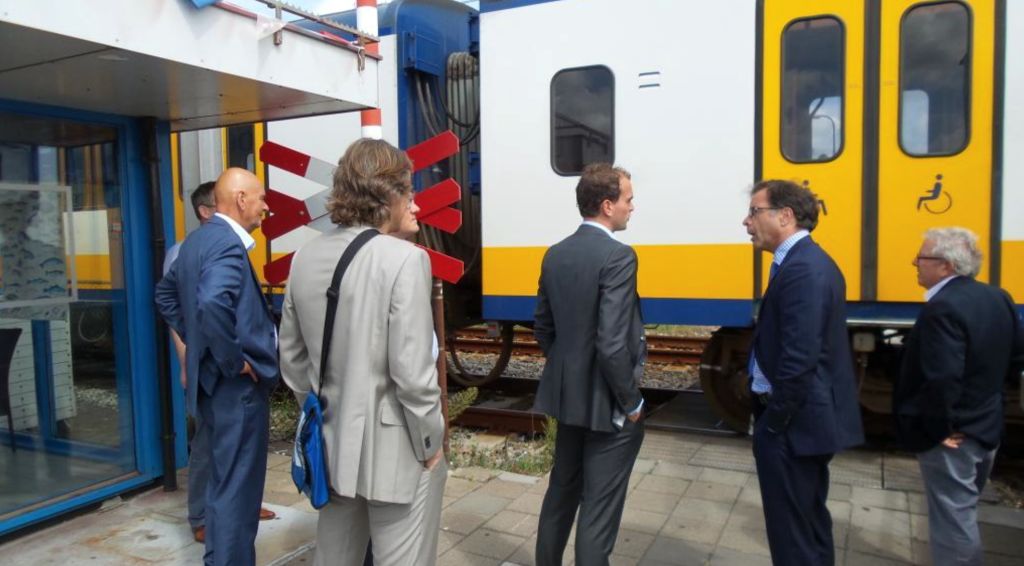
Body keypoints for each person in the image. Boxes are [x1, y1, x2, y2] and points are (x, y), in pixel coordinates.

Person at [278, 138, 445, 566]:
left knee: (334, 558)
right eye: (409, 192)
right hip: (397, 448)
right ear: (387, 194)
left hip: (331, 443)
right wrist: (431, 443)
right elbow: (412, 375)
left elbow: (293, 361)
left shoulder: (304, 257)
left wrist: (322, 407)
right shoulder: (406, 260)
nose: (415, 203)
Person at [155, 168, 279, 566]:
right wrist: (232, 360)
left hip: (212, 387)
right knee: (236, 492)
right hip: (235, 390)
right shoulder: (226, 244)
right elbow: (211, 302)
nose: (265, 206)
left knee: (223, 483)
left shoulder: (197, 241)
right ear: (240, 199)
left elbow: (166, 294)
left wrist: (196, 341)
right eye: (260, 197)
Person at [742, 179, 863, 565]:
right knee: (806, 524)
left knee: (793, 534)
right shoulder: (802, 263)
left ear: (785, 215)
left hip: (793, 428)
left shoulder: (804, 270)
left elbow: (799, 359)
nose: (747, 222)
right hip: (797, 424)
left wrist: (773, 423)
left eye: (754, 212)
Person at [532, 163, 646, 566]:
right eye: (628, 199)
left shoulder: (555, 254)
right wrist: (632, 404)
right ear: (607, 205)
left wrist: (569, 374)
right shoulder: (619, 257)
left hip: (568, 402)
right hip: (608, 406)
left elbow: (544, 330)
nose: (633, 207)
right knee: (598, 511)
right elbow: (612, 344)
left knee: (560, 493)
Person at [894, 227, 1024, 566]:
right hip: (986, 428)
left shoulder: (943, 308)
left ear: (946, 266)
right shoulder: (1000, 298)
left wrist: (940, 429)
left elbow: (942, 379)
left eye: (921, 257)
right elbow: (1015, 359)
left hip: (955, 436)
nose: (915, 263)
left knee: (953, 518)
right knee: (963, 509)